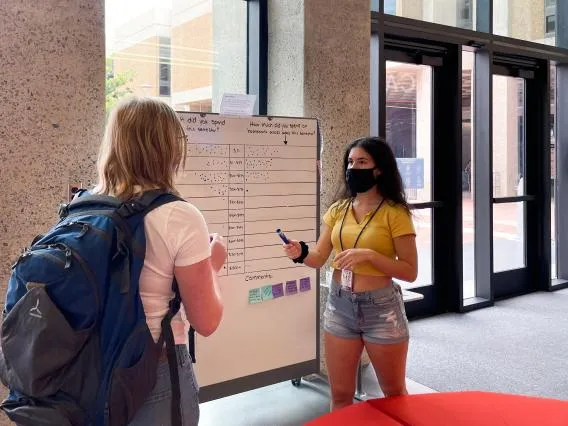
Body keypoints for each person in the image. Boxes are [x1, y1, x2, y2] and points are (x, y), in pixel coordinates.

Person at [93, 96, 226, 425]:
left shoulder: (88, 204)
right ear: (168, 148)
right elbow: (207, 322)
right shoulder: (177, 215)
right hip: (154, 367)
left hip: (92, 364)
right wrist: (213, 263)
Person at [283, 136, 417, 411]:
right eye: (350, 162)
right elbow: (319, 258)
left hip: (381, 309)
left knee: (394, 394)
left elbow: (410, 271)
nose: (353, 168)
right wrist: (300, 253)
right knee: (341, 395)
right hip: (340, 305)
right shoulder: (338, 210)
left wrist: (370, 256)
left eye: (362, 162)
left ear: (379, 169)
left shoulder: (395, 213)